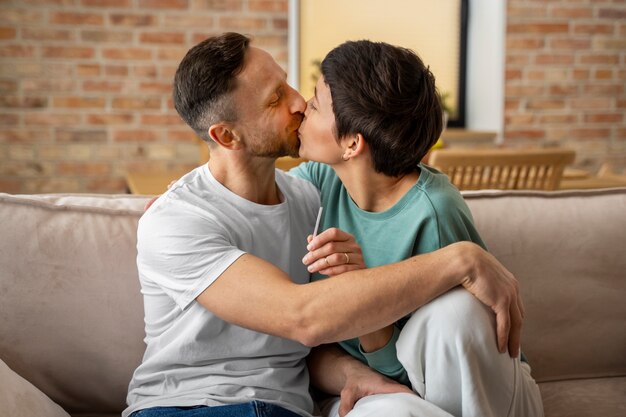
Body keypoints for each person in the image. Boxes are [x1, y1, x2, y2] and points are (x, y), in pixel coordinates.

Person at [124, 32, 525, 417]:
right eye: (275, 98)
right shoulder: (180, 219)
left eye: (291, 86)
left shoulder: (311, 197)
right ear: (226, 136)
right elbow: (303, 317)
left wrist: (354, 357)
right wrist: (463, 260)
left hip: (287, 408)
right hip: (185, 407)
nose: (299, 103)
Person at [290, 40, 543, 417]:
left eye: (315, 104)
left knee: (455, 313)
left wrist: (361, 297)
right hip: (382, 394)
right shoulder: (316, 185)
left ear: (352, 143)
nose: (301, 110)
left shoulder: (434, 212)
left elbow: (435, 369)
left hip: (485, 391)